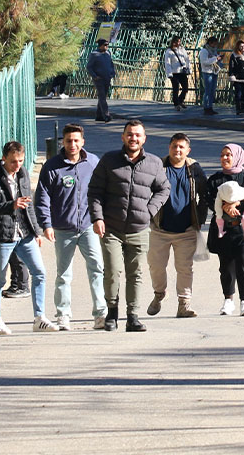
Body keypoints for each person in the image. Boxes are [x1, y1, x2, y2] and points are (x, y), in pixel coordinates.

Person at [89, 119, 169, 331]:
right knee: (113, 271)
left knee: (135, 273)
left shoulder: (154, 163)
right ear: (123, 137)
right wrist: (97, 218)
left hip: (139, 228)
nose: (133, 138)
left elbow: (163, 189)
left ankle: (132, 316)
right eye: (129, 134)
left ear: (144, 139)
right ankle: (112, 314)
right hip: (111, 228)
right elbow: (95, 191)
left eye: (137, 135)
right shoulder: (109, 160)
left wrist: (149, 211)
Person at [0, 141, 57, 334]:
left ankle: (40, 318)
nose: (18, 165)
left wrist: (36, 231)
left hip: (24, 234)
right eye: (14, 161)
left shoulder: (22, 174)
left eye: (21, 161)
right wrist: (11, 205)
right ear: (4, 158)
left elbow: (28, 205)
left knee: (39, 272)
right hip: (2, 236)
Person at [34, 123, 105, 331]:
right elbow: (43, 197)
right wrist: (46, 224)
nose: (72, 144)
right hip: (63, 228)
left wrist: (100, 218)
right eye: (68, 141)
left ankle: (101, 313)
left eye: (76, 140)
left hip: (88, 226)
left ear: (83, 142)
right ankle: (63, 314)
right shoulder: (52, 166)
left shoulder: (92, 162)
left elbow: (102, 192)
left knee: (96, 268)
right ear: (62, 142)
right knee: (64, 273)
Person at [146, 133, 207, 319]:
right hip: (160, 229)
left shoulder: (195, 169)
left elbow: (205, 195)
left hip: (186, 230)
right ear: (169, 147)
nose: (177, 150)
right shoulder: (158, 167)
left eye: (181, 147)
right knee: (156, 266)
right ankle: (159, 294)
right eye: (174, 146)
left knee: (184, 268)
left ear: (188, 150)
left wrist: (200, 220)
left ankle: (184, 304)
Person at [205, 144, 244, 316]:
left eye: (228, 155)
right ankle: (228, 300)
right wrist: (224, 207)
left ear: (237, 157)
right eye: (222, 155)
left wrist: (234, 204)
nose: (225, 158)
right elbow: (209, 200)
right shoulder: (215, 180)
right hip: (225, 229)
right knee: (226, 266)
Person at [86, 38, 115, 122]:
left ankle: (99, 116)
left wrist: (112, 73)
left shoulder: (108, 53)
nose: (107, 47)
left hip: (107, 78)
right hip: (99, 79)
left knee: (103, 97)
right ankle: (106, 115)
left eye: (107, 45)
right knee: (102, 96)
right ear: (100, 45)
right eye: (105, 45)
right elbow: (89, 67)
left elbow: (111, 64)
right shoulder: (94, 54)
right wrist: (94, 76)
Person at [161, 37, 191, 111]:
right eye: (177, 42)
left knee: (185, 88)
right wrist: (169, 74)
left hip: (182, 71)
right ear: (173, 42)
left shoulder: (182, 49)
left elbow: (186, 59)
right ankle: (176, 103)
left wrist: (188, 68)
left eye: (179, 42)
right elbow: (167, 63)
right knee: (176, 88)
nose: (178, 43)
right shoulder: (169, 51)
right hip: (174, 72)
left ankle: (180, 100)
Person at [228, 40, 244, 115]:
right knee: (238, 93)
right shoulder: (234, 55)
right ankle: (238, 108)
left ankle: (242, 107)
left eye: (243, 46)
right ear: (238, 47)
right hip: (237, 77)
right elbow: (231, 67)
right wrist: (232, 75)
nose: (243, 47)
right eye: (241, 46)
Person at [198, 36, 222, 116]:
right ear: (210, 43)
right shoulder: (204, 51)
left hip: (214, 71)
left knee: (212, 91)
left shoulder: (213, 50)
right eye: (214, 43)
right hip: (207, 72)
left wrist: (218, 59)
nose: (215, 45)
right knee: (208, 90)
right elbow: (205, 62)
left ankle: (210, 107)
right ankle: (206, 107)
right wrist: (215, 59)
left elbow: (214, 59)